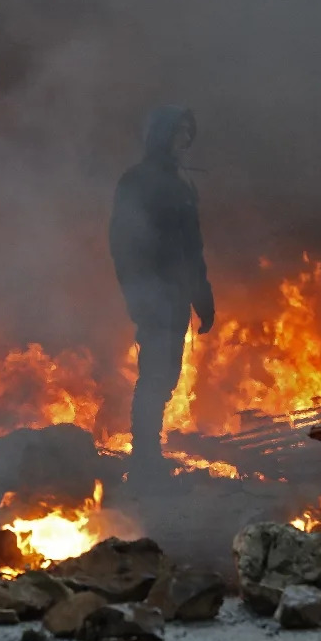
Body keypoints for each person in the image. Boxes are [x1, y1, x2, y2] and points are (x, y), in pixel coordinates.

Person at [109, 106, 215, 475]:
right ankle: (144, 461)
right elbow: (122, 243)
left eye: (189, 132)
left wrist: (203, 297)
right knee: (154, 372)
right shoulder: (137, 181)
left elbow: (192, 248)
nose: (185, 140)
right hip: (152, 295)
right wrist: (138, 294)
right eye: (178, 132)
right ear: (160, 136)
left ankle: (149, 456)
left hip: (177, 296)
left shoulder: (181, 184)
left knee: (168, 374)